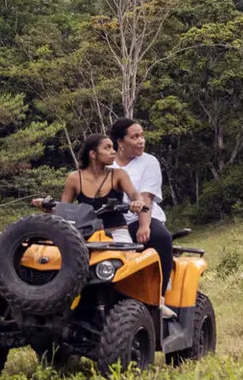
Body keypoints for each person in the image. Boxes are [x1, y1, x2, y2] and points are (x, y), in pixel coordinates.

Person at [30, 133, 175, 319]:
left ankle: (154, 304)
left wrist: (137, 202)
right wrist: (48, 207)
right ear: (93, 154)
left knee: (127, 272)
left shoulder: (118, 175)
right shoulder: (74, 179)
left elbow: (134, 195)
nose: (113, 152)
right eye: (107, 148)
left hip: (116, 234)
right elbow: (63, 210)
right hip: (87, 235)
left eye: (113, 147)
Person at [109, 118, 176, 317]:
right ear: (120, 142)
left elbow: (147, 196)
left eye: (142, 136)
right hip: (113, 222)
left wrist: (143, 226)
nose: (141, 141)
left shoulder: (149, 161)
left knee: (160, 237)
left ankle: (160, 299)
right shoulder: (107, 164)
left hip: (140, 218)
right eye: (135, 137)